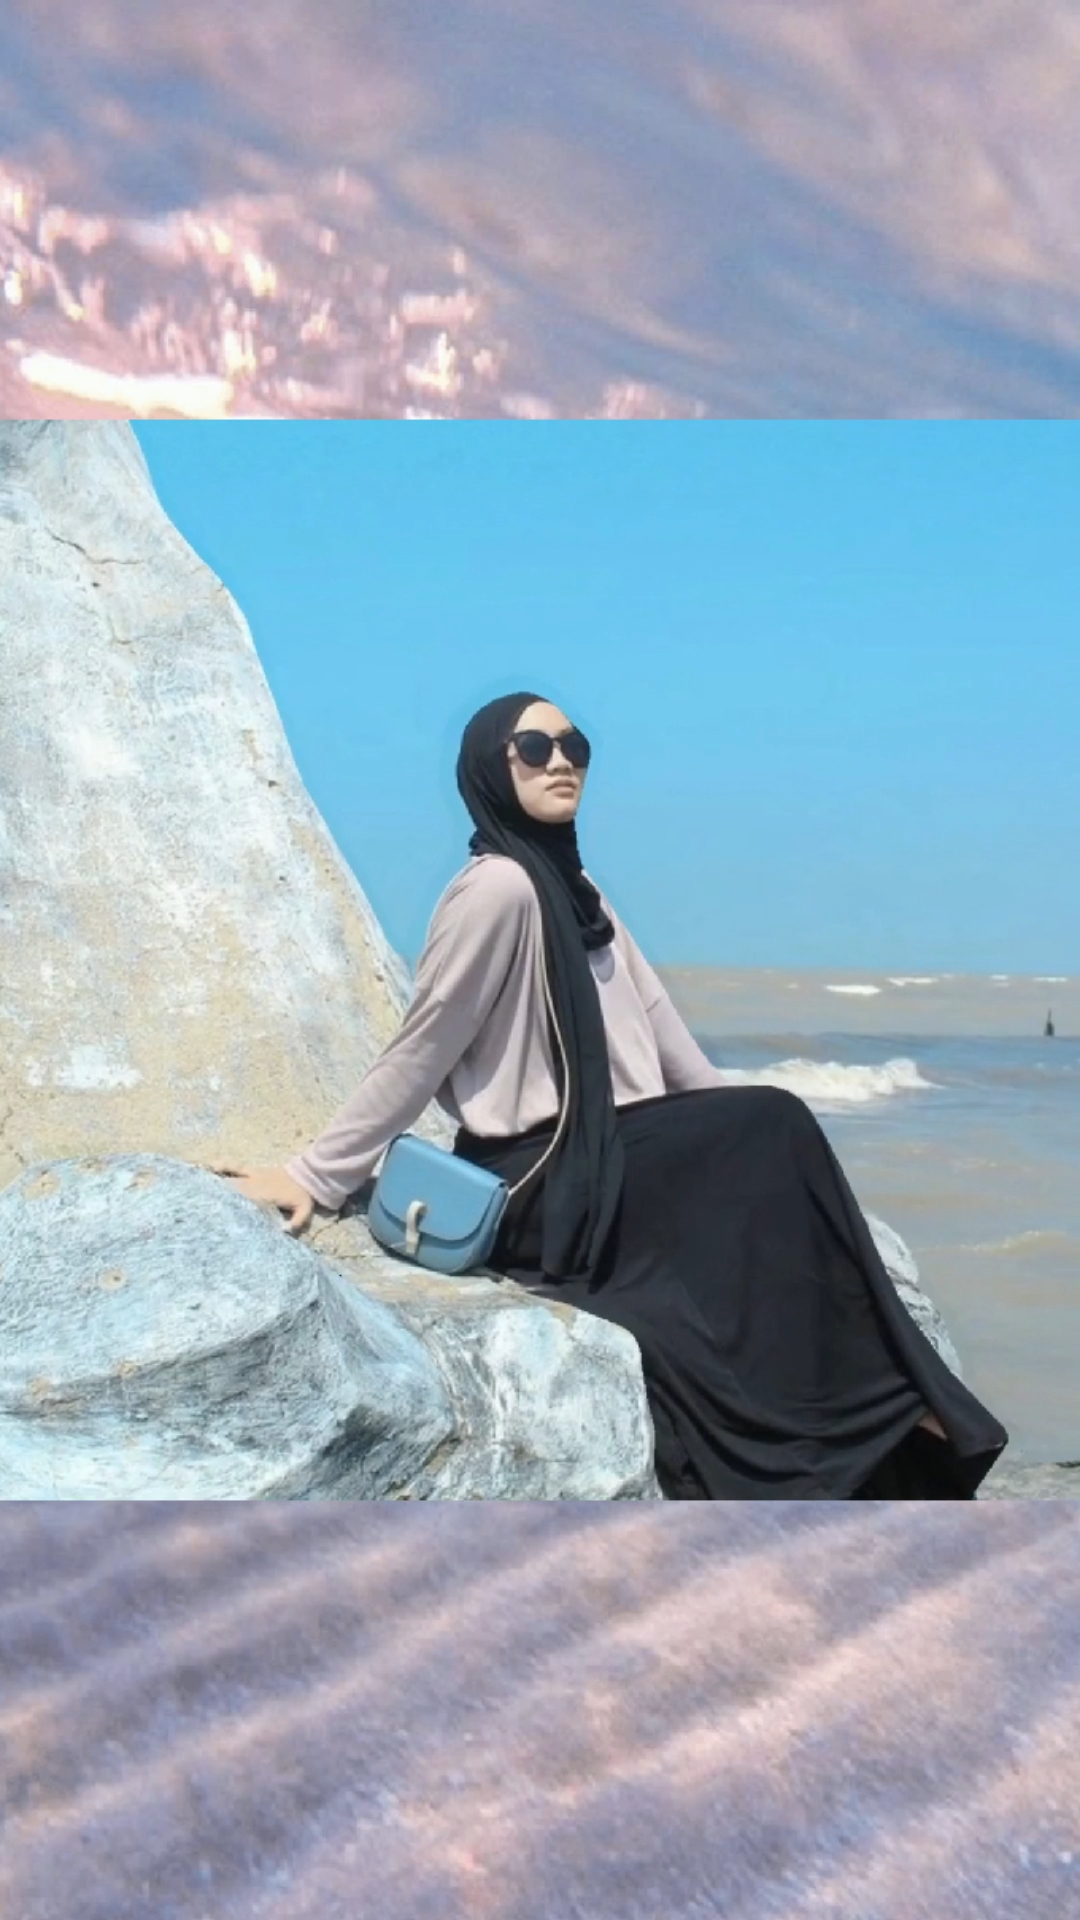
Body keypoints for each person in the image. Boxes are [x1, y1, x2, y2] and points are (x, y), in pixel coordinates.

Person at [216, 691, 1009, 1500]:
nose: (561, 762)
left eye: (576, 746)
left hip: (622, 1155)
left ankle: (882, 1416)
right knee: (774, 1125)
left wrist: (733, 1137)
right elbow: (426, 1042)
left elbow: (669, 1041)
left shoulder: (580, 888)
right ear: (491, 768)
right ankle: (893, 1415)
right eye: (534, 748)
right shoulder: (496, 890)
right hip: (543, 1176)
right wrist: (317, 1175)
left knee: (772, 1136)